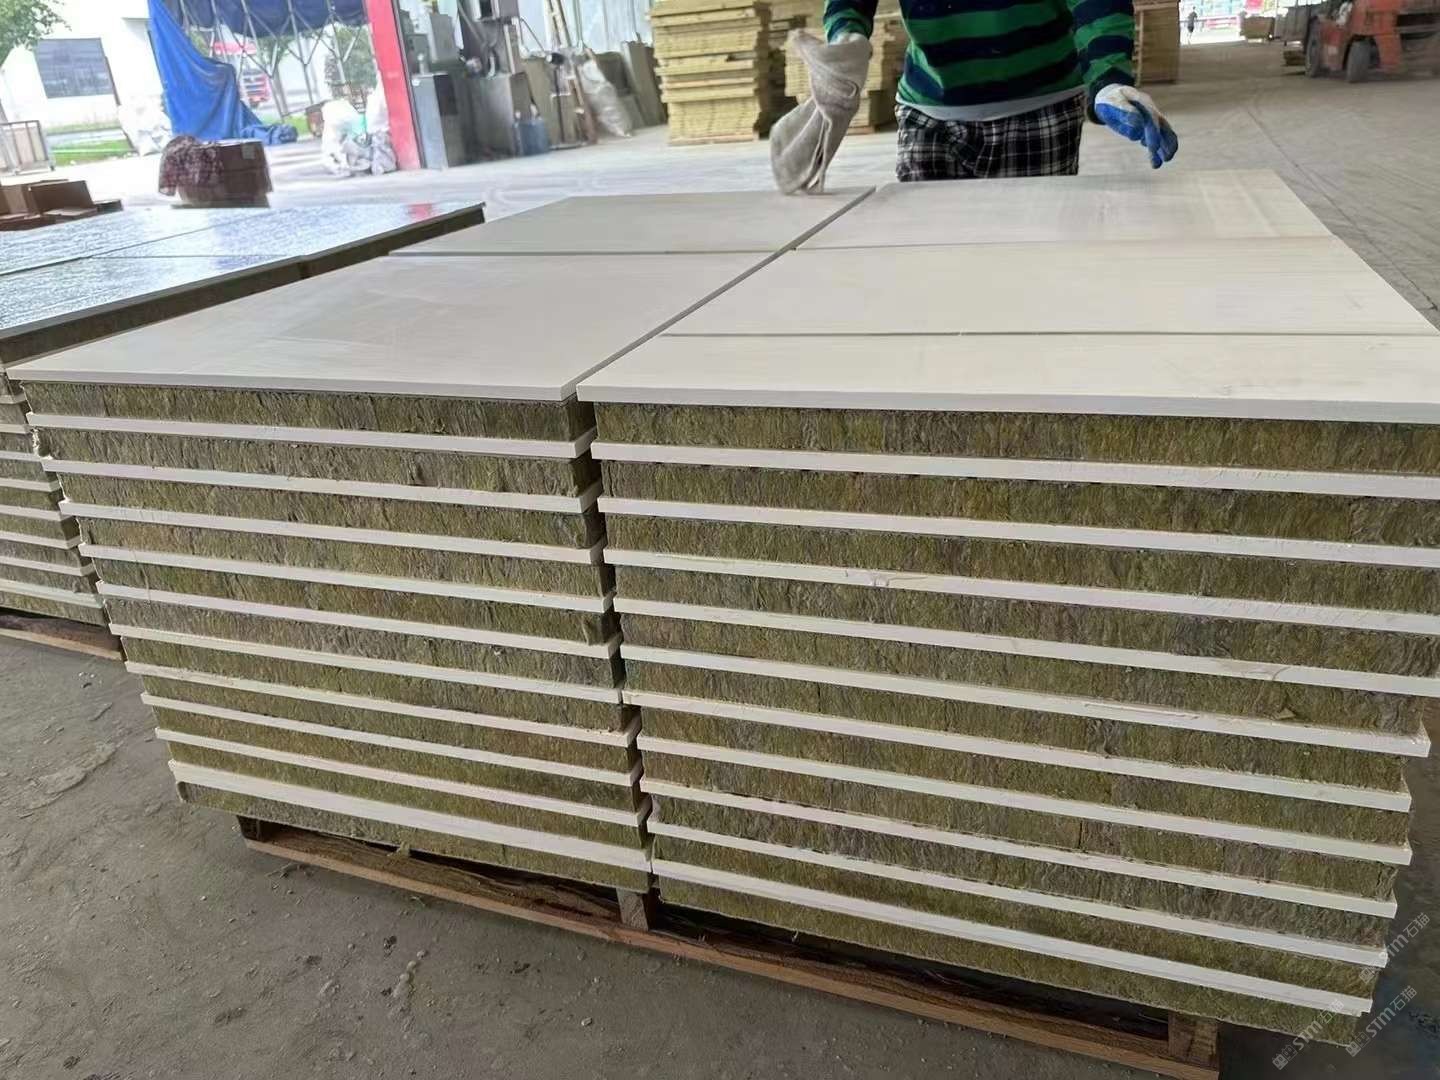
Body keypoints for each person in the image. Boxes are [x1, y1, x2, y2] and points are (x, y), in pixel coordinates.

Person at [824, 0, 1179, 180]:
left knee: (1027, 253)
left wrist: (1108, 77)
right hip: (929, 106)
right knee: (929, 253)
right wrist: (846, 36)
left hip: (1040, 109)